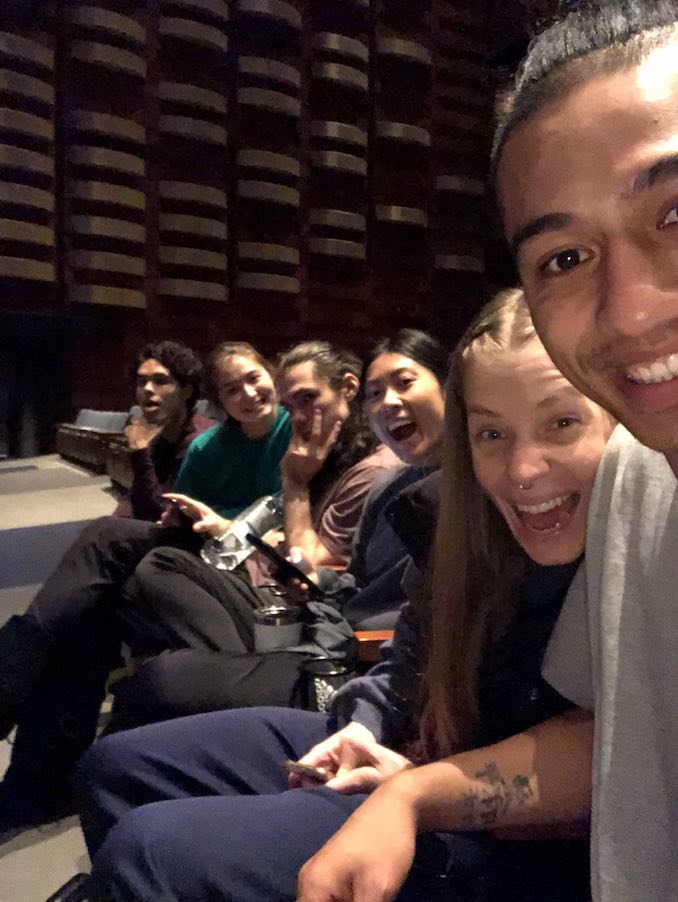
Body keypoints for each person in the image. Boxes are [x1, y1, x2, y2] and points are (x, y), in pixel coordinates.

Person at [294, 3, 678, 900]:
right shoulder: (639, 478)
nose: (629, 309)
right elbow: (625, 738)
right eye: (564, 257)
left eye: (674, 210)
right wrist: (411, 796)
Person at [75, 288, 614, 901]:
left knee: (151, 847)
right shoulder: (461, 520)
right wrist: (365, 728)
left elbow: (617, 764)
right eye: (492, 433)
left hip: (505, 835)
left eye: (562, 422)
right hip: (403, 740)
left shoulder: (639, 541)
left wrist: (418, 787)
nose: (523, 469)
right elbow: (403, 659)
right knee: (114, 769)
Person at [0, 341, 291, 830]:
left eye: (163, 381)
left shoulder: (292, 434)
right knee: (88, 621)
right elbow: (161, 512)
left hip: (238, 564)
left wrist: (142, 461)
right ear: (218, 397)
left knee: (105, 540)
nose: (246, 393)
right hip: (191, 552)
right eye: (231, 388)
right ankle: (38, 783)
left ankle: (10, 684)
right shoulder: (204, 446)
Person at [107, 337, 424, 723]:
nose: (298, 416)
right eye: (290, 405)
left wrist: (293, 483)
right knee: (141, 580)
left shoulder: (375, 472)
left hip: (337, 645)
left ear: (347, 389)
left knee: (154, 671)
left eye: (308, 398)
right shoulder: (328, 454)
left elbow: (313, 562)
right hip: (312, 606)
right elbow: (321, 564)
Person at [112, 340, 212, 522]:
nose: (148, 389)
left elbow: (164, 514)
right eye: (142, 382)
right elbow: (134, 502)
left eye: (160, 381)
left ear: (187, 390)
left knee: (101, 532)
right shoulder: (161, 440)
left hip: (190, 540)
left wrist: (140, 452)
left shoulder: (203, 442)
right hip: (152, 535)